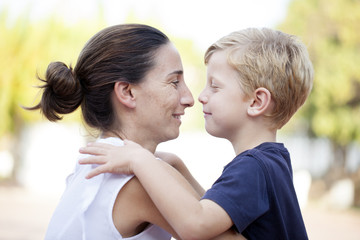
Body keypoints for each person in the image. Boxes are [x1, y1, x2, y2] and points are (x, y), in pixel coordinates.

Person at [79, 27, 314, 240]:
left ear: (256, 101)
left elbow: (197, 225)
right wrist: (177, 167)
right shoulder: (270, 161)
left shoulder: (253, 168)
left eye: (215, 86)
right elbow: (218, 210)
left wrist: (139, 159)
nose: (199, 96)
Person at [27, 24, 243, 240]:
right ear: (127, 92)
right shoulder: (138, 178)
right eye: (174, 82)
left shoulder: (92, 167)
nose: (189, 98)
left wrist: (175, 165)